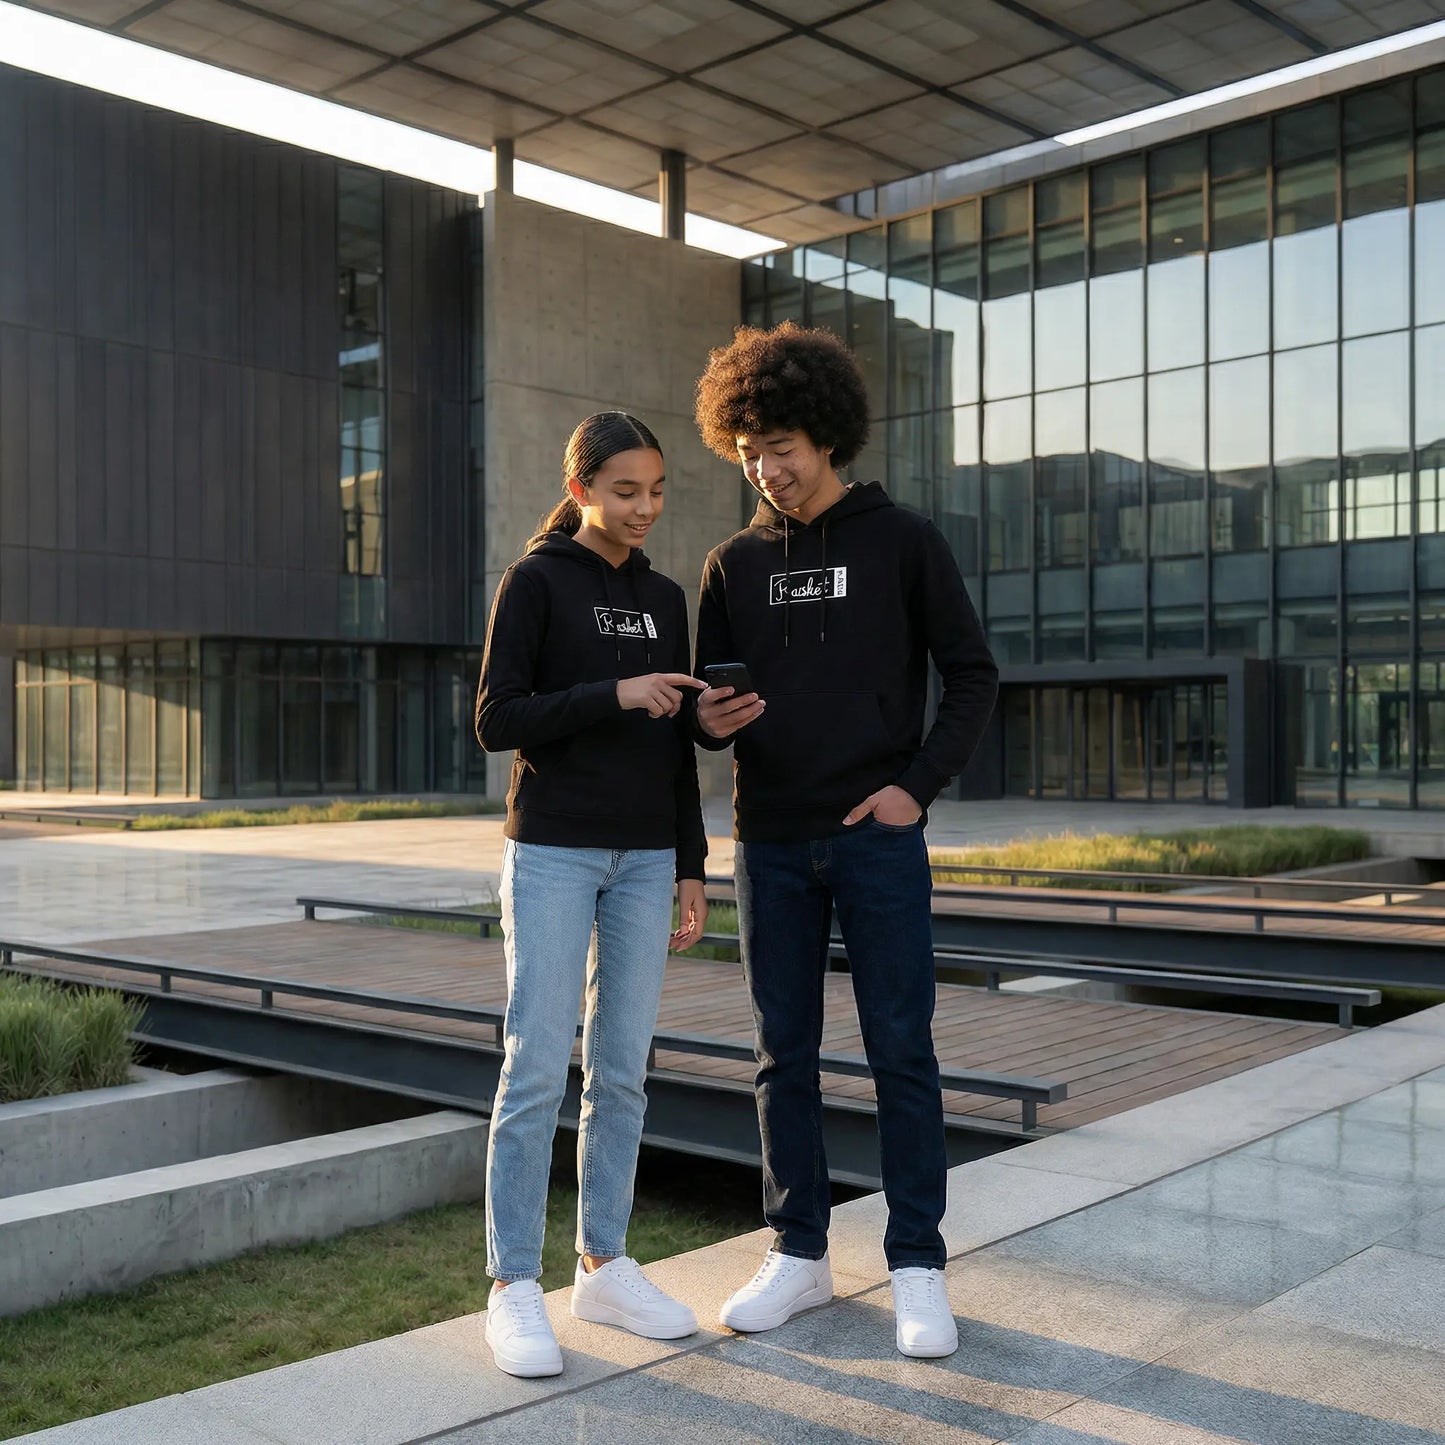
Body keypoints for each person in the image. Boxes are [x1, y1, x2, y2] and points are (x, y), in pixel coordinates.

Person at [691, 323, 998, 1359]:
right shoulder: (730, 562)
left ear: (825, 434)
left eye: (779, 444)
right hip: (769, 841)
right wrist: (706, 720)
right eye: (746, 451)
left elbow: (970, 675)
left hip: (873, 839)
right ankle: (800, 1251)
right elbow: (705, 697)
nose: (766, 468)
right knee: (783, 1055)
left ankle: (916, 1261)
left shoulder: (903, 540)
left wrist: (916, 786)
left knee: (899, 1049)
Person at [474, 411, 708, 1378]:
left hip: (649, 856)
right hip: (556, 853)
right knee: (535, 1065)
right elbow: (496, 720)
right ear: (580, 490)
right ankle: (511, 1283)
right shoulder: (533, 581)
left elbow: (678, 745)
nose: (644, 507)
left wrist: (693, 861)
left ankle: (603, 1263)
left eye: (655, 490)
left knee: (622, 1072)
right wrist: (612, 693)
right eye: (625, 491)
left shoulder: (662, 595)